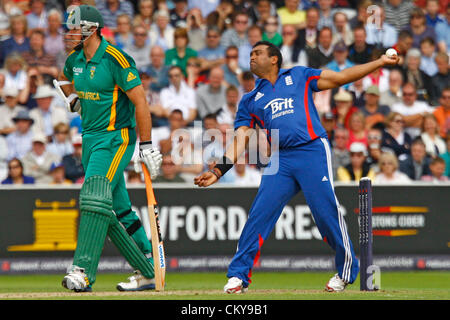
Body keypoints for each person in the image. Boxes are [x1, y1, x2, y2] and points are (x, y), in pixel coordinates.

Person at [194, 40, 399, 293]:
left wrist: (379, 62)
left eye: (257, 53)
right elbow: (240, 139)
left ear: (274, 59)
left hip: (311, 149)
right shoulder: (250, 100)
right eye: (250, 54)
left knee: (325, 212)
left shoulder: (298, 75)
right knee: (259, 214)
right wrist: (218, 170)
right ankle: (238, 276)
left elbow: (341, 77)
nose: (252, 57)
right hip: (280, 159)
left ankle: (346, 271)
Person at [55, 5, 162, 293]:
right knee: (118, 208)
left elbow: (140, 101)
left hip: (115, 138)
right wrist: (72, 100)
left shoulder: (116, 58)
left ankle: (83, 271)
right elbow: (64, 78)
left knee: (92, 195)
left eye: (74, 28)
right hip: (89, 138)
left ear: (91, 28)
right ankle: (148, 269)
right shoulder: (75, 59)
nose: (69, 33)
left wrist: (147, 144)